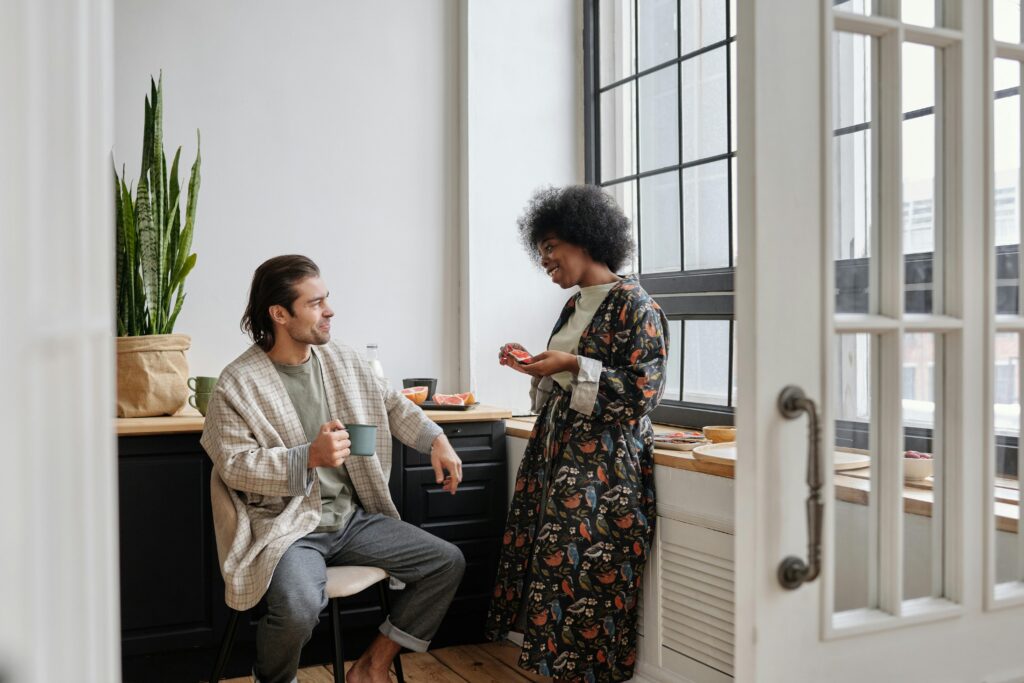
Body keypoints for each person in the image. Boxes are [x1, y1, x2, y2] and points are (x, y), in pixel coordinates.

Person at [201, 255, 465, 683]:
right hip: (288, 526)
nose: (330, 310)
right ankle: (274, 679)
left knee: (445, 562)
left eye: (327, 299)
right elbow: (234, 466)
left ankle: (372, 664)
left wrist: (436, 439)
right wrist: (308, 457)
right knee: (299, 607)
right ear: (280, 314)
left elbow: (393, 405)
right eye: (316, 302)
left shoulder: (343, 361)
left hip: (351, 520)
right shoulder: (238, 383)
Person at [485, 186, 669, 682]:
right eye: (540, 249)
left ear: (585, 238)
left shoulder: (637, 305)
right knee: (550, 574)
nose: (544, 259)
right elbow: (572, 380)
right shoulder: (574, 306)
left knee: (585, 579)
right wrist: (538, 367)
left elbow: (643, 394)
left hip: (604, 471)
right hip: (556, 453)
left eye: (550, 246)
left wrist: (571, 363)